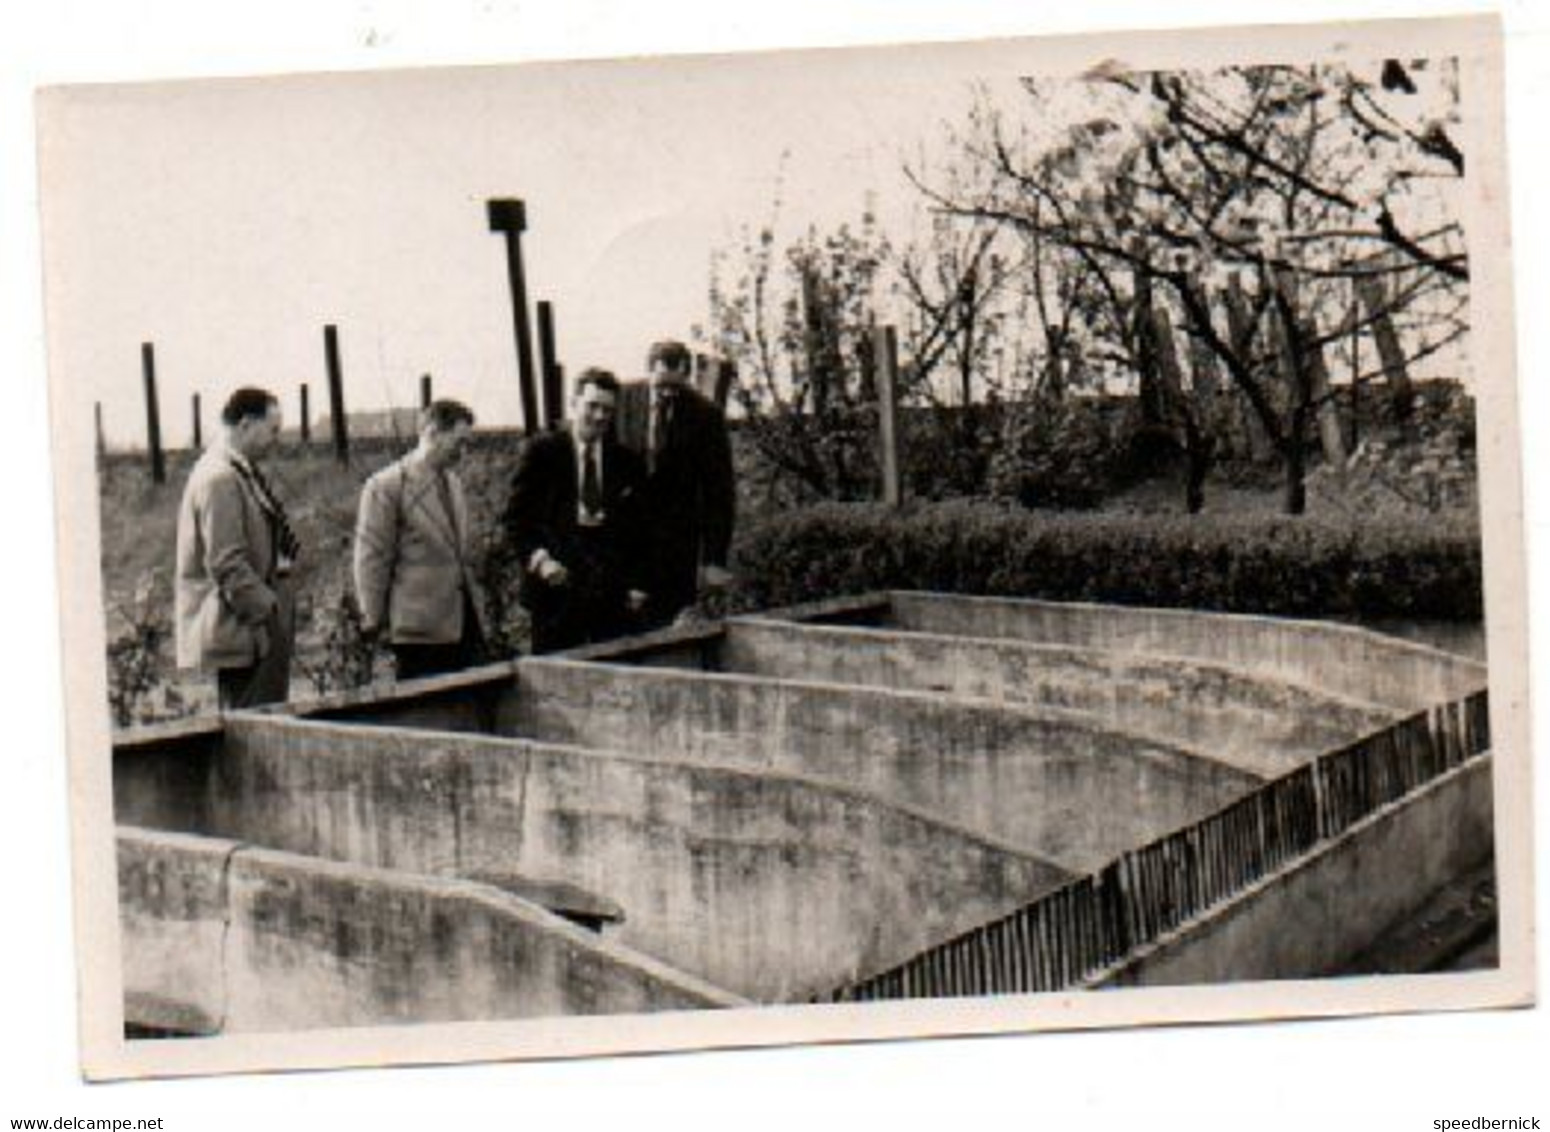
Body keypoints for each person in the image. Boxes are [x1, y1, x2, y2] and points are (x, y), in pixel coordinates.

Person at [503, 368, 648, 653]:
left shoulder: (626, 462)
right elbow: (516, 519)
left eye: (607, 410)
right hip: (557, 587)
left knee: (615, 677)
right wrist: (541, 561)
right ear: (574, 403)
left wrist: (638, 583)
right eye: (592, 406)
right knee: (556, 679)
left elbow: (641, 529)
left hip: (611, 590)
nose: (599, 416)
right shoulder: (542, 453)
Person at [174, 386, 299, 710]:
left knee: (264, 723)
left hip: (252, 629)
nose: (276, 440)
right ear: (245, 424)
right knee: (254, 732)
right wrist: (269, 613)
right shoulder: (220, 478)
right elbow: (227, 563)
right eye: (272, 430)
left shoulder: (237, 471)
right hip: (245, 631)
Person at [353, 399, 488, 681]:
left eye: (467, 444)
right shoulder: (387, 486)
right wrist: (372, 622)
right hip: (418, 635)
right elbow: (372, 558)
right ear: (432, 433)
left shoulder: (453, 484)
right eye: (459, 442)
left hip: (461, 627)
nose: (463, 453)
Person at [636, 339, 735, 626]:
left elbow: (719, 492)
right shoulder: (623, 403)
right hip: (629, 545)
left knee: (673, 626)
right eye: (661, 386)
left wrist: (714, 558)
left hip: (678, 548)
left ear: (687, 377)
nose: (667, 393)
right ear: (649, 373)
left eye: (676, 387)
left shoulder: (706, 416)